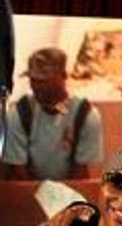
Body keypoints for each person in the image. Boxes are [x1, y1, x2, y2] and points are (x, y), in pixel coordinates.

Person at [1, 47, 103, 180]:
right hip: (29, 186)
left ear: (63, 76)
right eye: (33, 80)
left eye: (44, 81)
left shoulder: (85, 115)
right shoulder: (20, 113)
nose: (37, 87)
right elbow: (18, 171)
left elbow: (82, 170)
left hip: (69, 187)